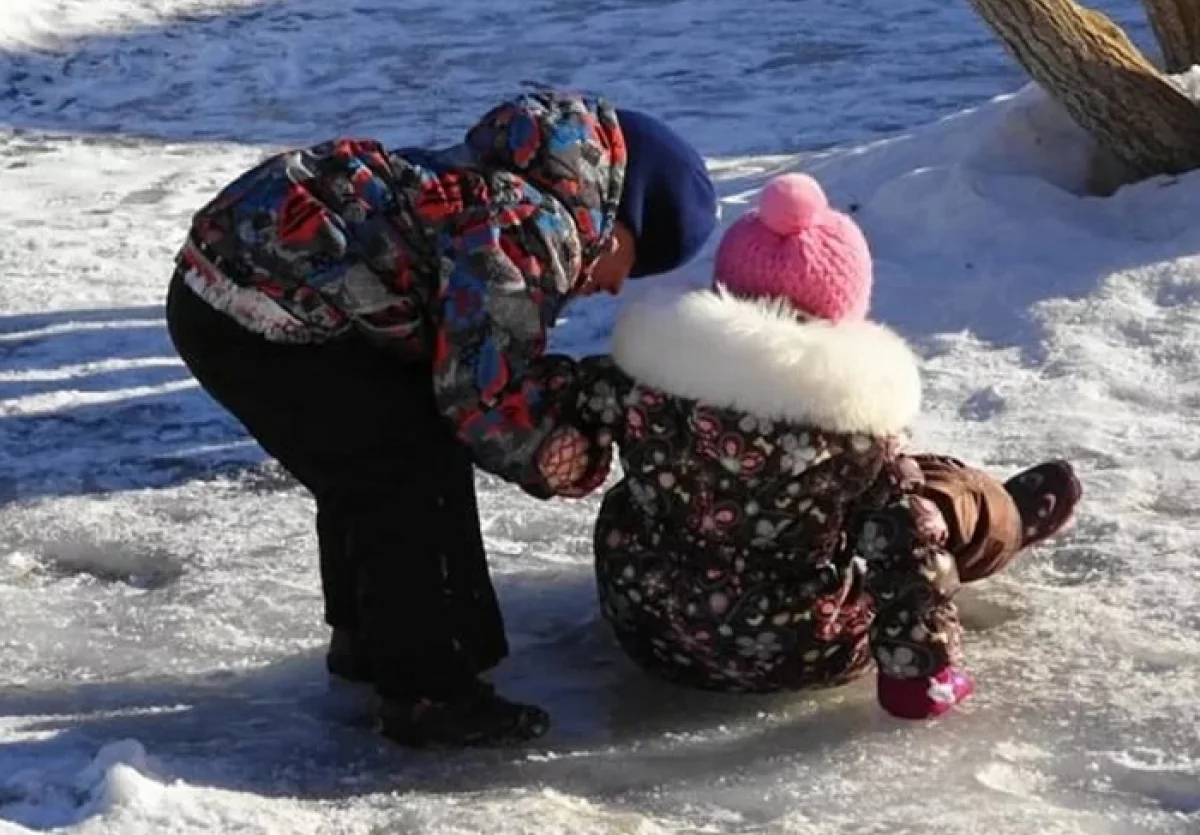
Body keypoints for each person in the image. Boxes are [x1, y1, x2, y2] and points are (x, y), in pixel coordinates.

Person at [164, 90, 718, 746]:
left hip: (226, 283)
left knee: (377, 447)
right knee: (401, 467)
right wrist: (559, 453)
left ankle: (369, 642)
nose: (617, 284)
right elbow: (481, 396)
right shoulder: (539, 229)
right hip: (257, 310)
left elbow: (461, 349)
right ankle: (426, 691)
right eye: (635, 257)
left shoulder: (508, 177)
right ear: (620, 215)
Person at [554, 173, 1081, 719]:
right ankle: (1003, 519)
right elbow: (905, 549)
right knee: (932, 498)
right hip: (800, 649)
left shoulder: (645, 383)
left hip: (650, 629)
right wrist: (918, 673)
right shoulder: (852, 436)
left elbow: (559, 416)